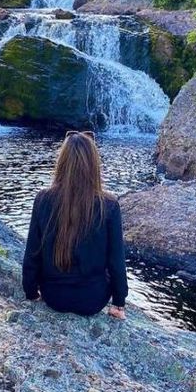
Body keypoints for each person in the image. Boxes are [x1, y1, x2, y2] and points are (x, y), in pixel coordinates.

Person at [22, 130, 128, 319]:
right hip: (93, 300)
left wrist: (31, 293)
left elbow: (32, 255)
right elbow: (116, 262)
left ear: (61, 163)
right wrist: (118, 303)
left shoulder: (42, 199)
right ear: (94, 165)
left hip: (53, 297)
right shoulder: (109, 205)